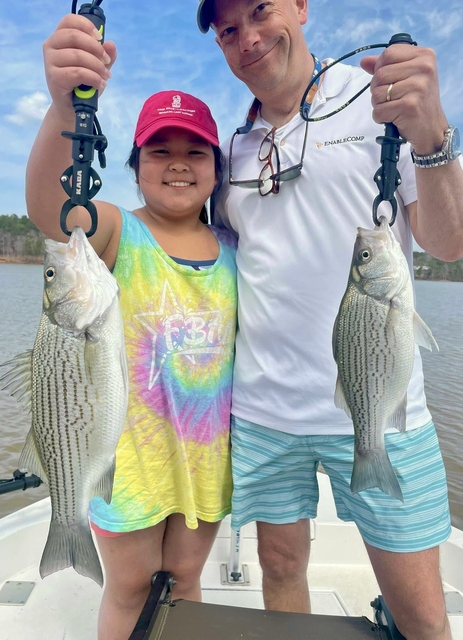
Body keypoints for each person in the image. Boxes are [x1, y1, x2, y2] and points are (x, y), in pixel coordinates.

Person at [196, 1, 463, 639]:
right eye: (229, 31)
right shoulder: (231, 151)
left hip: (383, 401)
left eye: (261, 10)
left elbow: (448, 244)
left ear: (301, 7)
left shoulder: (381, 105)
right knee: (279, 564)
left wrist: (431, 136)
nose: (249, 38)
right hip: (263, 409)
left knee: (421, 612)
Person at [25, 14, 237, 640]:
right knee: (129, 588)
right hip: (124, 455)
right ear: (135, 164)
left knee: (186, 584)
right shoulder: (116, 231)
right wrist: (64, 109)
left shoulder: (231, 244)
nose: (178, 164)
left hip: (203, 456)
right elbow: (48, 208)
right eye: (160, 151)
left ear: (217, 169)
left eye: (194, 151)